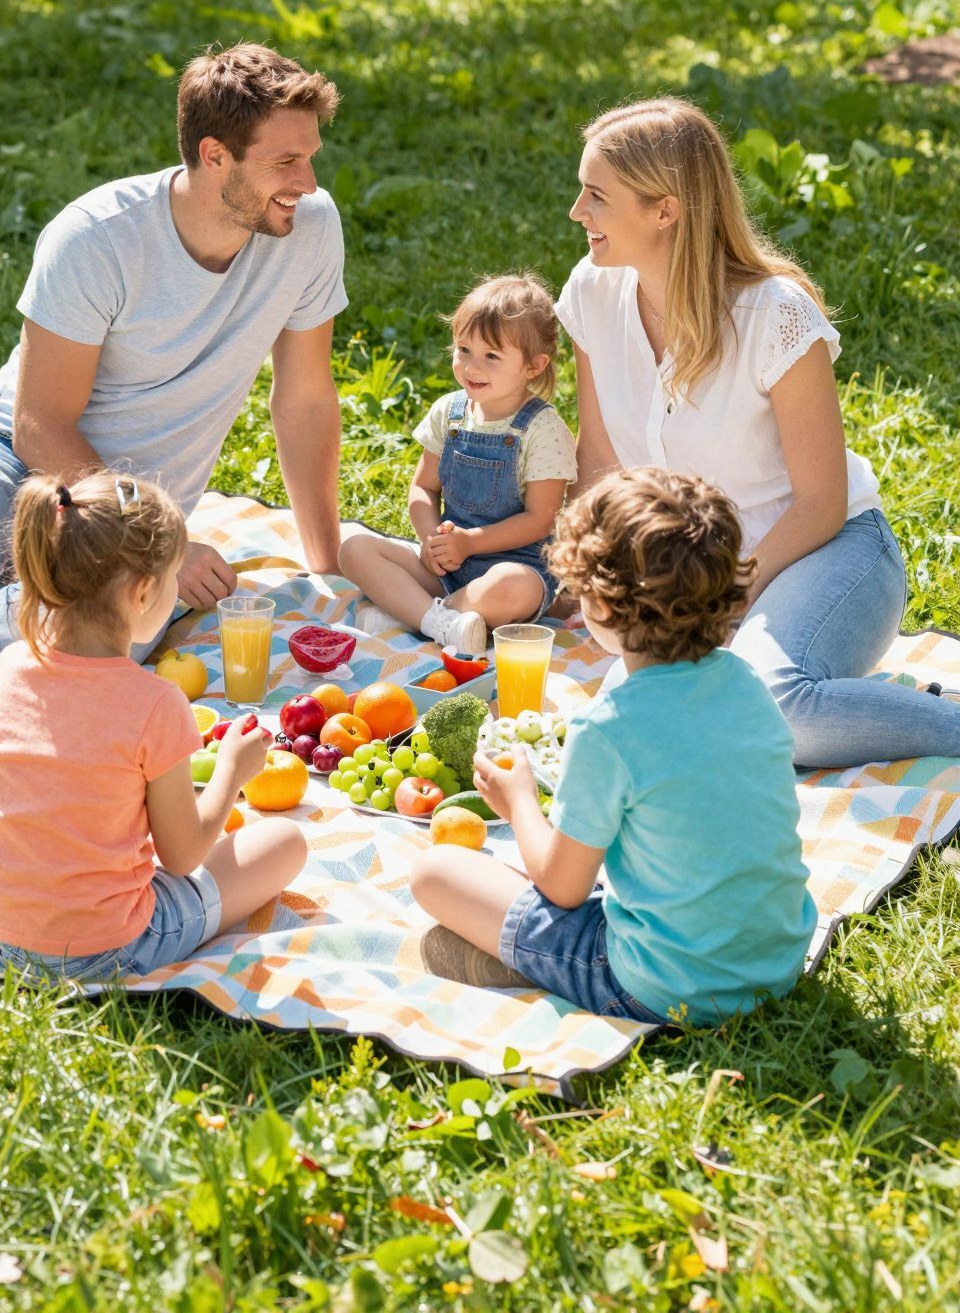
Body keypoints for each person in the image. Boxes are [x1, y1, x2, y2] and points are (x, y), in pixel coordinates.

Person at [0, 43, 346, 667]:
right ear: (214, 156)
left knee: (122, 635)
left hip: (126, 515)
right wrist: (159, 546)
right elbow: (40, 424)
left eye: (310, 159)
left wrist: (328, 569)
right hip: (16, 463)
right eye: (286, 162)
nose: (307, 184)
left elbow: (305, 399)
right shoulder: (96, 238)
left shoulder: (309, 228)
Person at [557, 96, 960, 769]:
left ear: (666, 210)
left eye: (596, 196)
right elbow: (600, 461)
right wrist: (589, 572)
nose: (577, 213)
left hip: (828, 552)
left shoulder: (775, 315)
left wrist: (725, 598)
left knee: (776, 707)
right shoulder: (593, 293)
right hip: (695, 572)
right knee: (635, 721)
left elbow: (821, 503)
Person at [412, 468, 817, 1024]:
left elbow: (562, 888)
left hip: (664, 987)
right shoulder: (747, 683)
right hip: (776, 967)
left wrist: (520, 801)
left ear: (599, 606)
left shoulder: (609, 728)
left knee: (435, 874)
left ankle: (531, 970)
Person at [0, 470, 306, 983]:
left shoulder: (10, 664)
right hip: (100, 951)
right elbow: (183, 855)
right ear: (143, 593)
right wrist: (231, 772)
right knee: (283, 843)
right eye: (172, 581)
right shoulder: (156, 703)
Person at [338, 274, 576, 656]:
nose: (471, 366)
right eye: (463, 349)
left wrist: (470, 543)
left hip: (512, 570)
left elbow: (539, 520)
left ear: (534, 366)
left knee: (513, 586)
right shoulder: (449, 413)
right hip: (446, 566)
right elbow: (423, 488)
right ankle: (440, 622)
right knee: (355, 549)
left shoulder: (543, 428)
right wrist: (432, 541)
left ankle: (410, 617)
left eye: (491, 356)